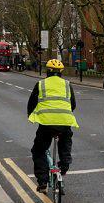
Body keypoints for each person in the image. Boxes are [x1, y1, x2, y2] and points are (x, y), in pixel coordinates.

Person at [27, 59, 79, 193]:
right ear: (61, 72)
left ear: (47, 71)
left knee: (38, 150)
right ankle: (64, 166)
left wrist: (31, 116)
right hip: (65, 121)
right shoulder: (68, 84)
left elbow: (31, 104)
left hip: (46, 123)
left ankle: (43, 182)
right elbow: (72, 104)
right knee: (65, 144)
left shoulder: (41, 84)